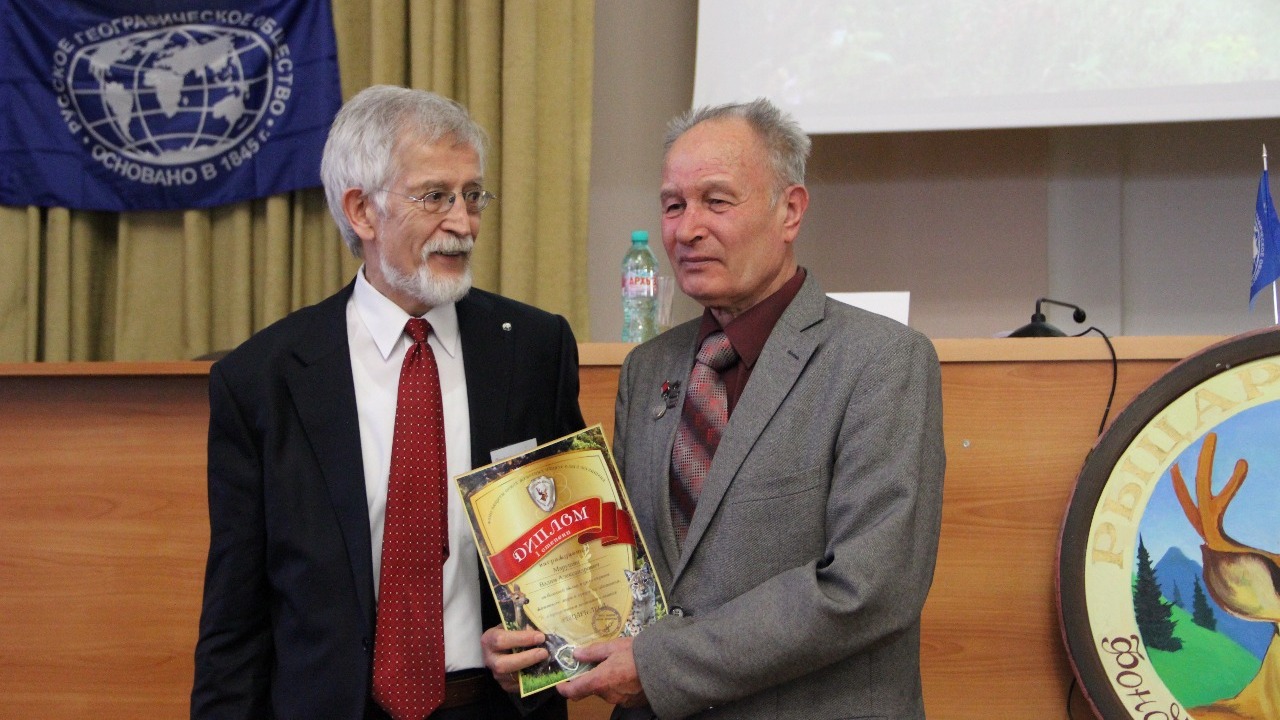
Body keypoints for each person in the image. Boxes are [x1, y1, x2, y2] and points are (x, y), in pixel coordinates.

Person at [538, 98, 945, 718]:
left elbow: (869, 587)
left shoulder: (882, 361)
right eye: (673, 205)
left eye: (716, 201)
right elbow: (629, 573)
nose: (687, 229)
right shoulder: (648, 369)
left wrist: (661, 667)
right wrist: (543, 639)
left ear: (791, 211)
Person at [191, 85, 584, 720]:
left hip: (488, 708)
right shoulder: (263, 378)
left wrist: (551, 658)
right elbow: (235, 617)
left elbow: (572, 557)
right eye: (435, 196)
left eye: (472, 195)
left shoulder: (535, 349)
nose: (463, 223)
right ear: (362, 212)